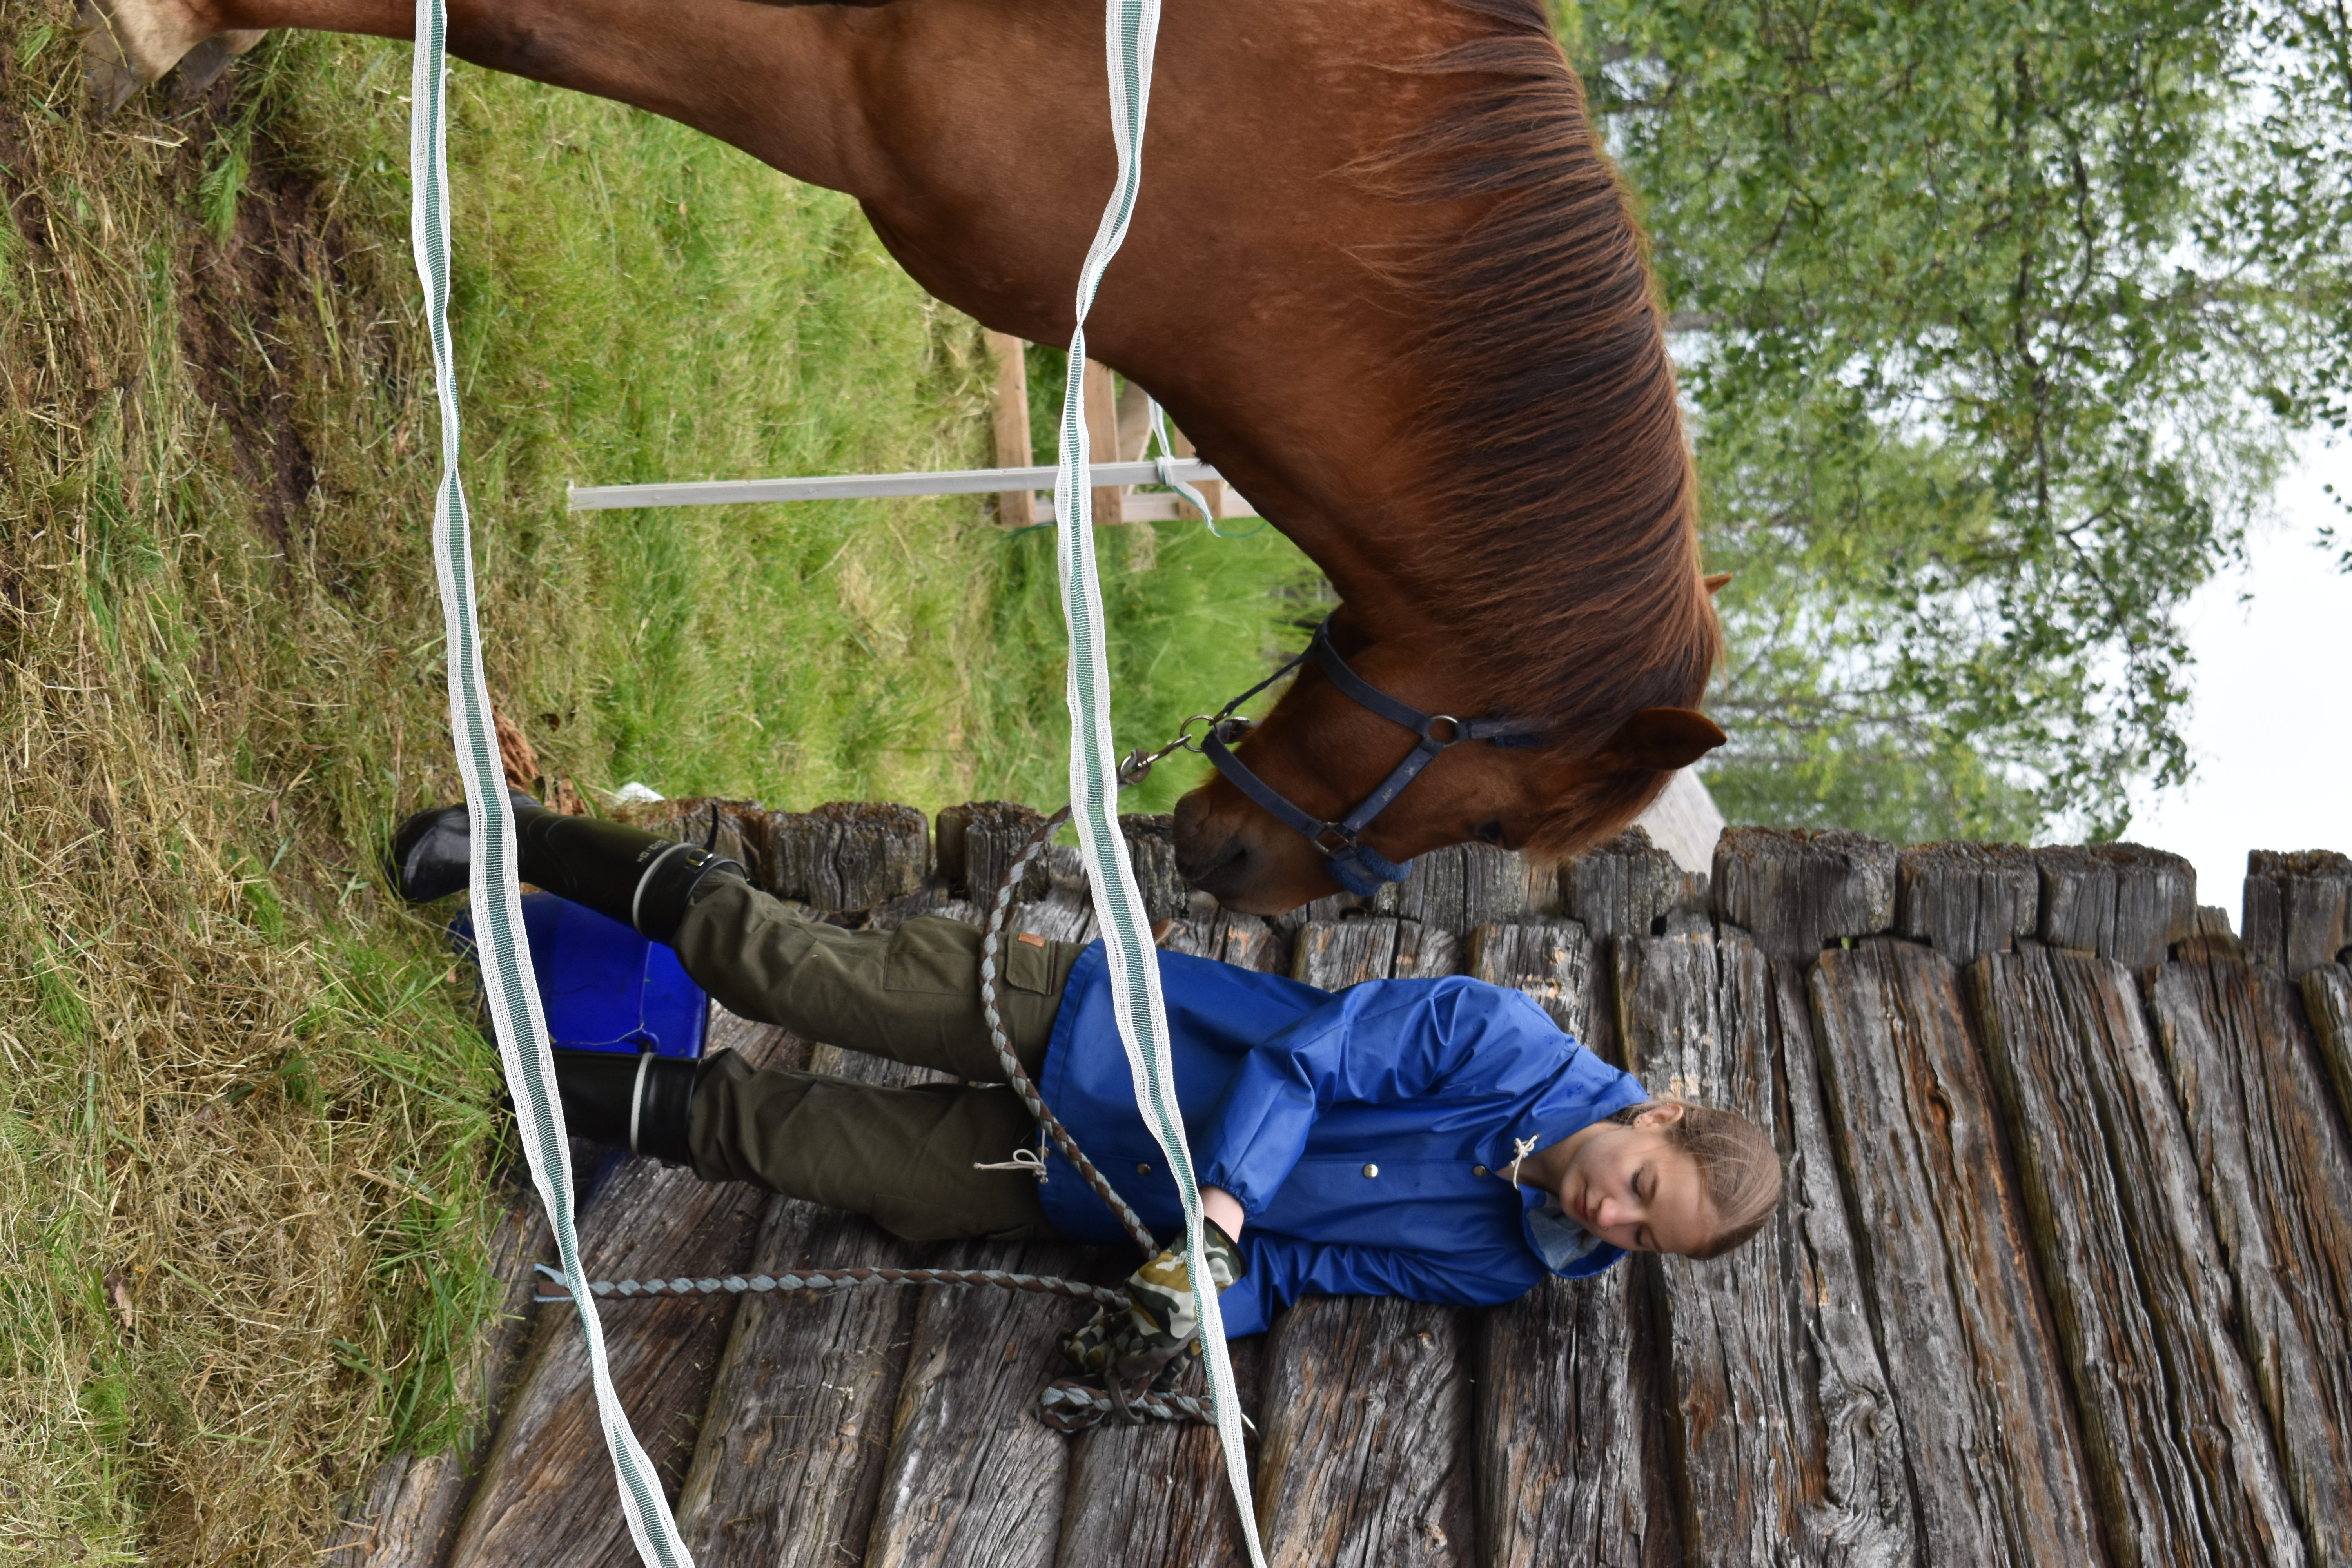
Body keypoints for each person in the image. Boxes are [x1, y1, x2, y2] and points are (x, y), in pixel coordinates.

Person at [390, 794, 1782, 1380]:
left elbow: (1310, 1267)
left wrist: (1192, 1314)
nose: (1614, 1222)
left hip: (1075, 1183)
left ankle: (500, 1081)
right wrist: (1224, 1208)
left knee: (798, 1147)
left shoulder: (1503, 1268)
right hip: (1089, 1030)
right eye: (1642, 1190)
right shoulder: (1501, 1038)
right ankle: (512, 842)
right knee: (785, 973)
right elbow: (1308, 1060)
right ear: (1657, 1115)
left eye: (1644, 1242)